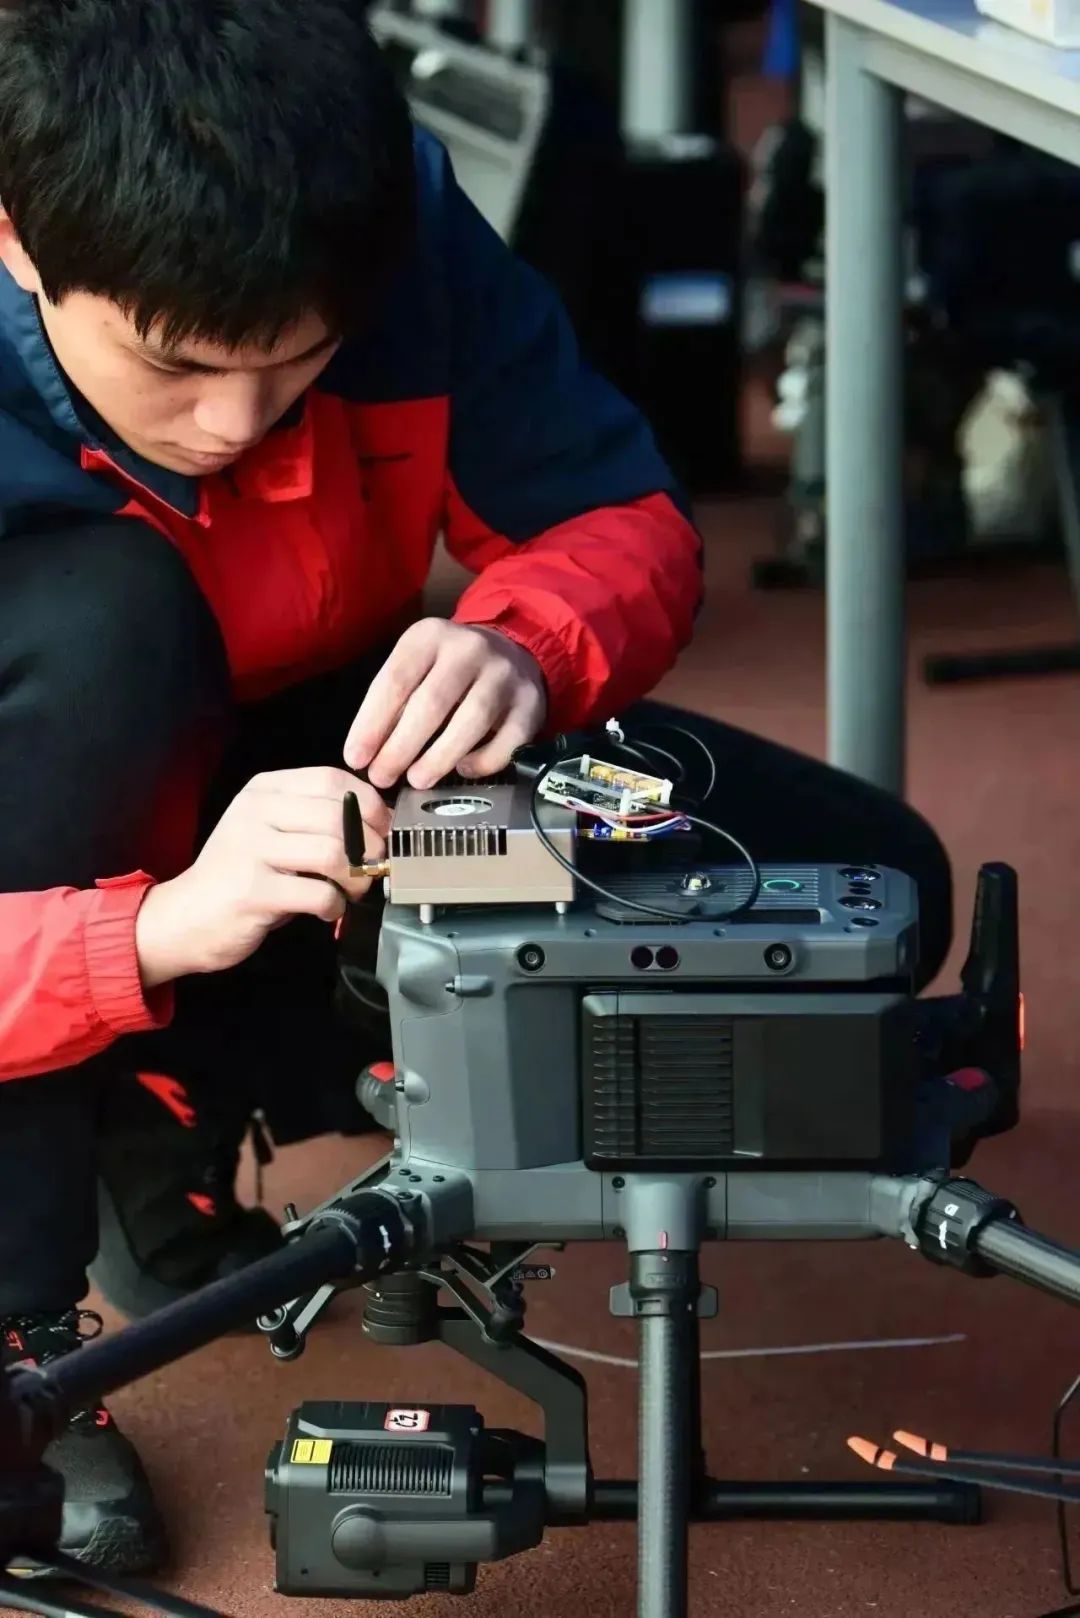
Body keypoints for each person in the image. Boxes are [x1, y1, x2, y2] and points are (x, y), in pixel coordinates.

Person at [0, 0, 952, 1579]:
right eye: (175, 364)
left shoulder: (384, 215)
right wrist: (153, 932)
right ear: (20, 240)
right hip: (58, 817)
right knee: (102, 629)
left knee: (868, 890)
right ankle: (24, 1328)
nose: (238, 423)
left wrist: (524, 646)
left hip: (329, 763)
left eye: (298, 359)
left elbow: (622, 517)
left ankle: (177, 1105)